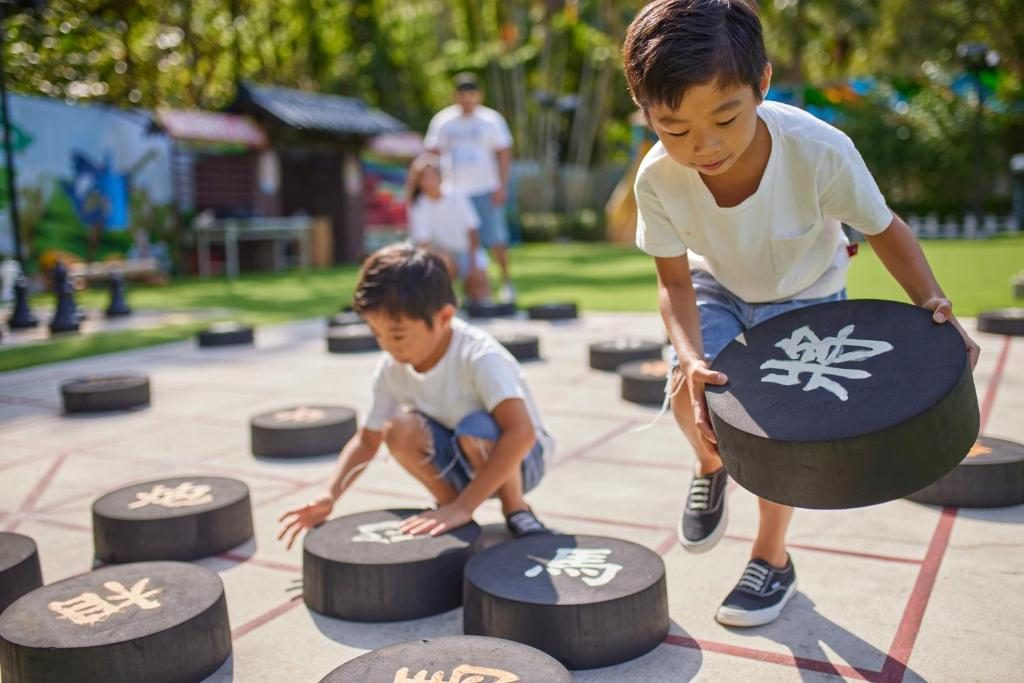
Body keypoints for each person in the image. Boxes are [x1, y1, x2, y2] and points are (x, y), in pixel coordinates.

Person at [622, 0, 980, 628]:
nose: (702, 146)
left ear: (761, 83)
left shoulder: (820, 150)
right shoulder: (657, 178)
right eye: (674, 129)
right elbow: (672, 279)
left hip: (808, 296)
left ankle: (772, 558)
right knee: (692, 389)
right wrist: (690, 355)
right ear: (646, 112)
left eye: (725, 118)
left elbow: (885, 229)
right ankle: (710, 466)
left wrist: (932, 303)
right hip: (716, 286)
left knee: (775, 433)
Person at [278, 244, 551, 549]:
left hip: (522, 461)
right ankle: (451, 505)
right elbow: (368, 441)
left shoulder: (479, 356)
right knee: (397, 428)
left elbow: (521, 432)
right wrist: (329, 495)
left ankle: (515, 508)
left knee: (476, 426)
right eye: (376, 334)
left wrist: (467, 505)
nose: (387, 346)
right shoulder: (392, 369)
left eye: (397, 335)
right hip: (461, 460)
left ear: (445, 317)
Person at [425, 73, 516, 303]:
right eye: (462, 95)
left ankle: (506, 283)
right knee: (459, 244)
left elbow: (504, 154)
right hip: (454, 193)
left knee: (496, 240)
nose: (466, 100)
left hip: (486, 189)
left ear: (479, 96)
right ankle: (460, 292)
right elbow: (431, 155)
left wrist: (502, 187)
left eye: (471, 95)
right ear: (455, 96)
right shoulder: (443, 121)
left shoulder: (491, 120)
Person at [405, 152, 490, 304]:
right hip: (440, 253)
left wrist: (474, 265)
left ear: (440, 176)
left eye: (432, 176)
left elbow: (472, 231)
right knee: (444, 265)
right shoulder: (418, 206)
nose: (429, 181)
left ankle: (472, 297)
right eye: (424, 177)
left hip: (466, 251)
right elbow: (424, 244)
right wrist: (444, 261)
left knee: (480, 287)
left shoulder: (457, 196)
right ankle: (444, 300)